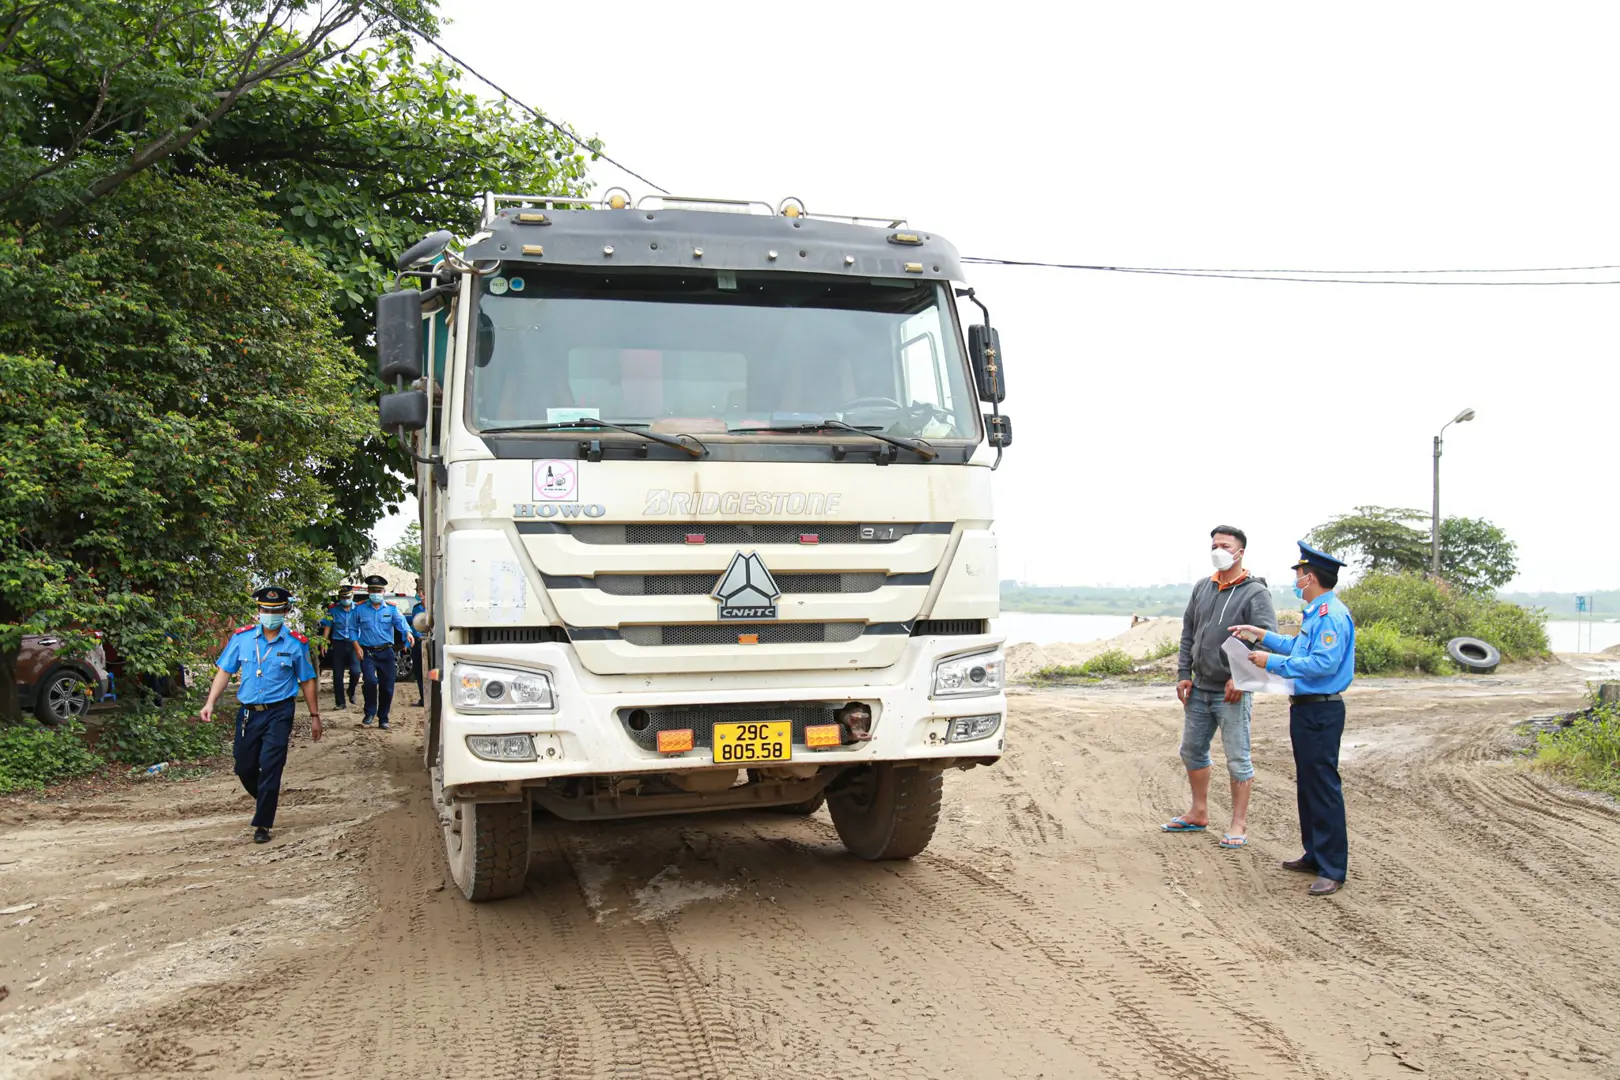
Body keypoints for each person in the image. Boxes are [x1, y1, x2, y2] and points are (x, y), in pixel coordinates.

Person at [1229, 541, 1356, 897]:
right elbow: (1300, 650)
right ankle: (1315, 854)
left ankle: (1333, 867)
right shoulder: (1317, 612)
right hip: (1307, 708)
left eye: (1299, 576)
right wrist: (1261, 636)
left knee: (1324, 787)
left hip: (1322, 709)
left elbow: (1323, 664)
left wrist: (1269, 662)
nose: (1296, 582)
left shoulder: (1330, 615)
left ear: (1310, 577)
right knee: (1309, 784)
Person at [1163, 526, 1276, 849]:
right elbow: (1189, 632)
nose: (1218, 550)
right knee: (1191, 750)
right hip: (1199, 688)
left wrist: (1242, 678)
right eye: (1214, 545)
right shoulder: (1203, 588)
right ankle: (1198, 812)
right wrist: (1184, 672)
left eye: (1225, 545)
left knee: (1238, 758)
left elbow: (1264, 638)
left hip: (1232, 691)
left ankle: (1238, 824)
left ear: (1240, 552)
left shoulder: (1255, 593)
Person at [197, 586, 322, 844]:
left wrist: (314, 715)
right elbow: (224, 671)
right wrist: (210, 702)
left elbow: (307, 679)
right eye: (265, 610)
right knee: (244, 766)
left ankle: (263, 823)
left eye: (276, 610)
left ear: (285, 611)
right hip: (248, 713)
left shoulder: (296, 643)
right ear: (258, 611)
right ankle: (267, 797)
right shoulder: (242, 639)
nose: (270, 615)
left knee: (271, 765)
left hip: (279, 711)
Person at [353, 574, 414, 730]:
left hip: (386, 652)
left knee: (387, 686)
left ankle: (383, 717)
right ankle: (369, 712)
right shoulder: (359, 609)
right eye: (373, 590)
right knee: (370, 682)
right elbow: (352, 629)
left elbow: (401, 622)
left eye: (379, 590)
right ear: (368, 591)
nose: (376, 593)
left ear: (383, 591)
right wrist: (356, 646)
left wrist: (407, 633)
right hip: (368, 653)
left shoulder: (391, 608)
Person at [319, 584, 362, 710]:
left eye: (347, 597)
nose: (345, 600)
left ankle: (351, 689)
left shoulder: (358, 609)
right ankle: (340, 703)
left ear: (352, 596)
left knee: (356, 671)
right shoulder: (333, 610)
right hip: (339, 643)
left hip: (354, 643)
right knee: (338, 674)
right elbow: (328, 627)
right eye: (342, 597)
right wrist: (324, 642)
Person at [408, 579, 426, 708]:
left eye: (420, 591)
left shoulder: (436, 606)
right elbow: (413, 626)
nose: (419, 594)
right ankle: (423, 698)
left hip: (430, 642)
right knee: (419, 672)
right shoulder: (416, 608)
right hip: (419, 643)